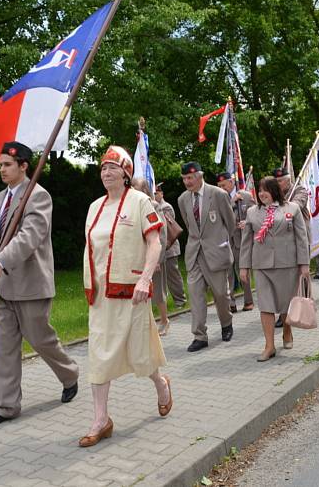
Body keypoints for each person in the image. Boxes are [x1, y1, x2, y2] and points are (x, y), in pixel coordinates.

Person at [0, 142, 79, 428]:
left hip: (30, 283)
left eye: (7, 165)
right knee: (5, 346)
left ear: (24, 166)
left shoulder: (38, 196)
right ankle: (6, 405)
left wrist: (0, 263)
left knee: (40, 340)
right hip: (2, 285)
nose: (2, 170)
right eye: (0, 165)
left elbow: (29, 237)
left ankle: (69, 373)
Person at [80, 146, 171, 447]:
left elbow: (155, 243)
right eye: (103, 168)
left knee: (139, 352)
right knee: (98, 352)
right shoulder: (94, 206)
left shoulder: (140, 202)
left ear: (126, 173)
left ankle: (161, 384)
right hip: (101, 295)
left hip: (131, 292)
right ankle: (100, 419)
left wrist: (146, 279)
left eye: (112, 168)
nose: (106, 173)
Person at [239, 177, 310, 361]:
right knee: (266, 305)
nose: (262, 194)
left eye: (266, 190)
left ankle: (287, 330)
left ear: (275, 191)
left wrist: (304, 264)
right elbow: (246, 243)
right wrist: (244, 267)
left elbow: (301, 238)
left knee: (286, 304)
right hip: (262, 266)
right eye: (260, 191)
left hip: (287, 264)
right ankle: (269, 346)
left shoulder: (292, 209)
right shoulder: (252, 212)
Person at [177, 161, 235, 352]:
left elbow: (230, 223)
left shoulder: (218, 194)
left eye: (190, 178)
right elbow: (190, 226)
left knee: (220, 294)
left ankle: (226, 324)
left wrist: (222, 242)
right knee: (195, 295)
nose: (187, 182)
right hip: (195, 254)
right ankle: (199, 336)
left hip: (216, 252)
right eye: (184, 178)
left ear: (200, 176)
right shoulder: (183, 199)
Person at [273, 167, 311, 327]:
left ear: (289, 180)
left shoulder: (300, 190)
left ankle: (305, 305)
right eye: (276, 181)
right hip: (282, 241)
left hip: (299, 239)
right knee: (284, 278)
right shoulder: (274, 194)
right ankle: (285, 312)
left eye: (281, 181)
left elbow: (296, 205)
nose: (278, 184)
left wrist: (280, 203)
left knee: (302, 275)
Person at [133, 178, 170, 336]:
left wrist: (157, 259)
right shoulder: (133, 206)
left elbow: (161, 234)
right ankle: (148, 323)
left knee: (157, 291)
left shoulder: (153, 205)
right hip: (139, 257)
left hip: (154, 257)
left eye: (136, 187)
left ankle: (164, 320)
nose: (133, 190)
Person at [216, 172, 256, 312]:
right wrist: (232, 201)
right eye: (219, 185)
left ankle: (248, 301)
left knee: (243, 271)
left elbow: (256, 213)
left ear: (231, 182)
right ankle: (231, 303)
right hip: (225, 241)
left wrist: (248, 222)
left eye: (224, 185)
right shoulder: (218, 198)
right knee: (228, 273)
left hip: (241, 240)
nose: (221, 188)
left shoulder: (245, 196)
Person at [155, 184, 187, 309]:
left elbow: (168, 227)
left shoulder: (165, 207)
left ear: (161, 194)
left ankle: (180, 301)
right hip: (161, 248)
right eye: (154, 193)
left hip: (170, 247)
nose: (155, 195)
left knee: (173, 277)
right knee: (162, 279)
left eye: (157, 193)